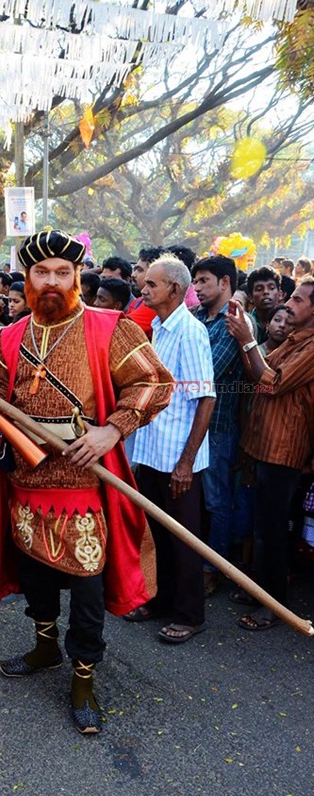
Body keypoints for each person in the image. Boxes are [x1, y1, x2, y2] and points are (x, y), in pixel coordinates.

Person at [0, 228, 173, 734]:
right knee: (34, 578)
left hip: (83, 491)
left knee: (86, 590)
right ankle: (43, 647)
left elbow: (155, 383)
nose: (52, 281)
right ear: (29, 279)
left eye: (63, 272)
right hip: (26, 486)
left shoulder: (109, 327)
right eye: (42, 272)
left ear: (77, 277)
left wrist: (111, 430)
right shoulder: (12, 334)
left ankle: (83, 678)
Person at [125, 254, 216, 643]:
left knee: (183, 539)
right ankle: (160, 600)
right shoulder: (161, 327)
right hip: (152, 451)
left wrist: (185, 462)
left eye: (151, 285)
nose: (143, 289)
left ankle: (190, 614)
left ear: (174, 290)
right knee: (157, 534)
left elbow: (205, 399)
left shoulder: (191, 332)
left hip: (179, 458)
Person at [225, 277, 314, 630]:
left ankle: (275, 606)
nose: (289, 304)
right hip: (265, 445)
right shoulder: (295, 340)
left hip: (284, 449)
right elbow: (257, 369)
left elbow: (271, 382)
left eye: (298, 300)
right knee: (262, 527)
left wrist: (247, 339)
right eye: (291, 297)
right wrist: (248, 343)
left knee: (273, 530)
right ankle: (260, 591)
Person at [191, 255, 243, 597]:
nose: (196, 288)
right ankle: (194, 562)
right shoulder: (195, 318)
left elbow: (207, 369)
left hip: (218, 425)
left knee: (216, 500)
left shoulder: (235, 322)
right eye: (194, 282)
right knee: (194, 499)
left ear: (225, 283)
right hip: (189, 422)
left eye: (204, 281)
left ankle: (214, 568)